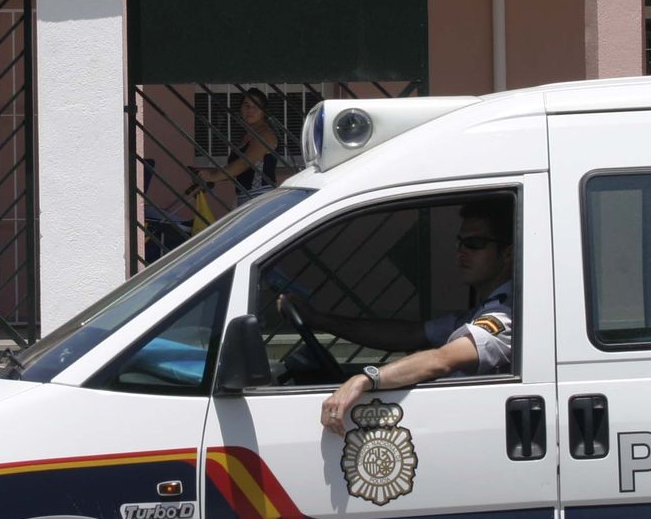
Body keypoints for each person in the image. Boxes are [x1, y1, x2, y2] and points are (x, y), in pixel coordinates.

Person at [283, 197, 515, 434]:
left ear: (506, 254)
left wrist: (364, 380)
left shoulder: (504, 317)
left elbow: (442, 360)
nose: (462, 252)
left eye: (474, 244)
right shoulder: (478, 313)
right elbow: (407, 334)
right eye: (460, 243)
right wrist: (319, 320)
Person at [196, 88, 279, 204]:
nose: (250, 109)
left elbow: (244, 163)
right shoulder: (248, 136)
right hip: (245, 198)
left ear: (263, 111)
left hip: (261, 199)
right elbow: (234, 170)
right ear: (240, 108)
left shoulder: (265, 134)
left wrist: (213, 176)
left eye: (256, 106)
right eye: (246, 105)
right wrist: (203, 173)